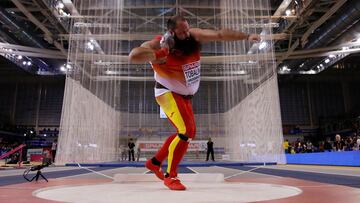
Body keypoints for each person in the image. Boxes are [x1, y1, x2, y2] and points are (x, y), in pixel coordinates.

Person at [129, 15, 260, 190]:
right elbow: (134, 55)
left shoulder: (194, 36)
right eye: (182, 32)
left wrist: (246, 36)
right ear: (171, 32)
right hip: (167, 92)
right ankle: (171, 176)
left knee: (184, 132)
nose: (186, 33)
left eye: (187, 29)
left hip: (185, 96)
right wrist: (157, 55)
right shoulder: (159, 44)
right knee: (187, 131)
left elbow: (220, 35)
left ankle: (155, 162)